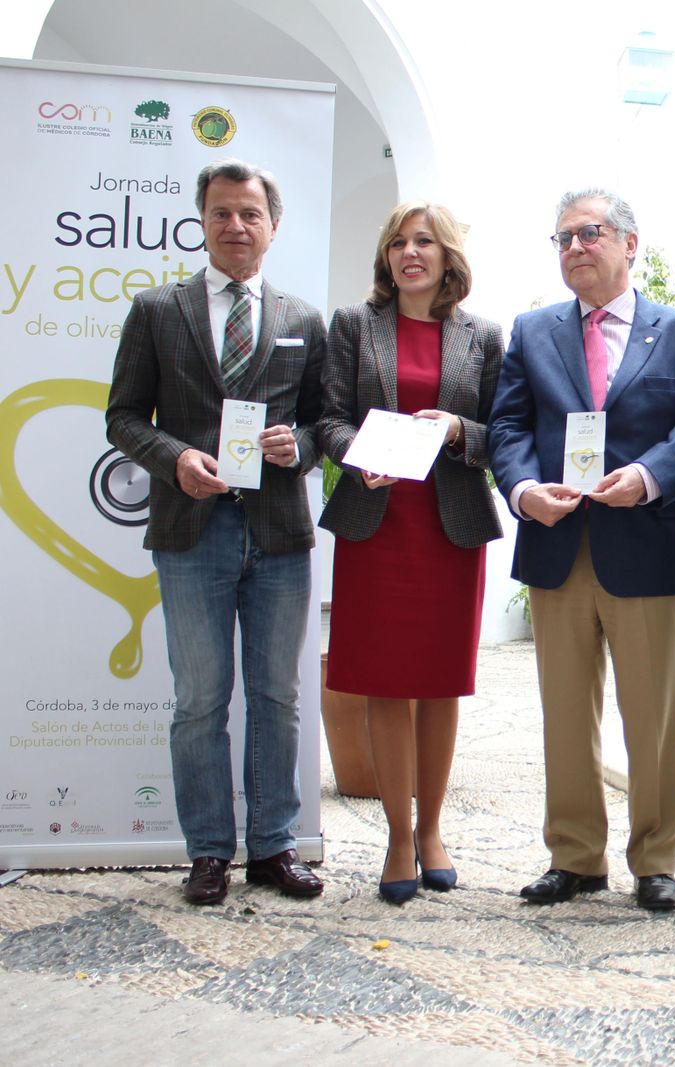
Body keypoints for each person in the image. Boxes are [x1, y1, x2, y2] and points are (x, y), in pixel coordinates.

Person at [105, 158, 326, 905]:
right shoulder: (156, 311)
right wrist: (174, 459)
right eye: (223, 213)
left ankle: (273, 846)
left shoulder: (301, 318)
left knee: (276, 695)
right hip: (190, 528)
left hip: (278, 533)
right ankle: (207, 851)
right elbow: (124, 417)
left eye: (250, 214)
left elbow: (324, 424)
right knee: (200, 698)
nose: (236, 226)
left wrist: (299, 446)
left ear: (273, 225)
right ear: (201, 221)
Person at [488, 188, 675, 912]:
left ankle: (655, 859)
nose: (575, 248)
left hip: (643, 544)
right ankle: (576, 856)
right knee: (563, 711)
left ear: (630, 242)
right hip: (556, 544)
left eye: (590, 234)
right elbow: (508, 428)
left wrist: (647, 478)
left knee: (652, 715)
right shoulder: (531, 330)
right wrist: (523, 491)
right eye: (562, 239)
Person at [317, 201, 504, 904]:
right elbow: (328, 417)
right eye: (397, 242)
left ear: (447, 254)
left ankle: (434, 831)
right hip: (377, 523)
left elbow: (503, 431)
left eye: (424, 240)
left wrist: (459, 429)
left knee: (440, 680)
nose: (409, 252)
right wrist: (353, 454)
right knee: (386, 681)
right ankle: (399, 835)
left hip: (448, 526)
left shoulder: (482, 335)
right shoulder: (354, 326)